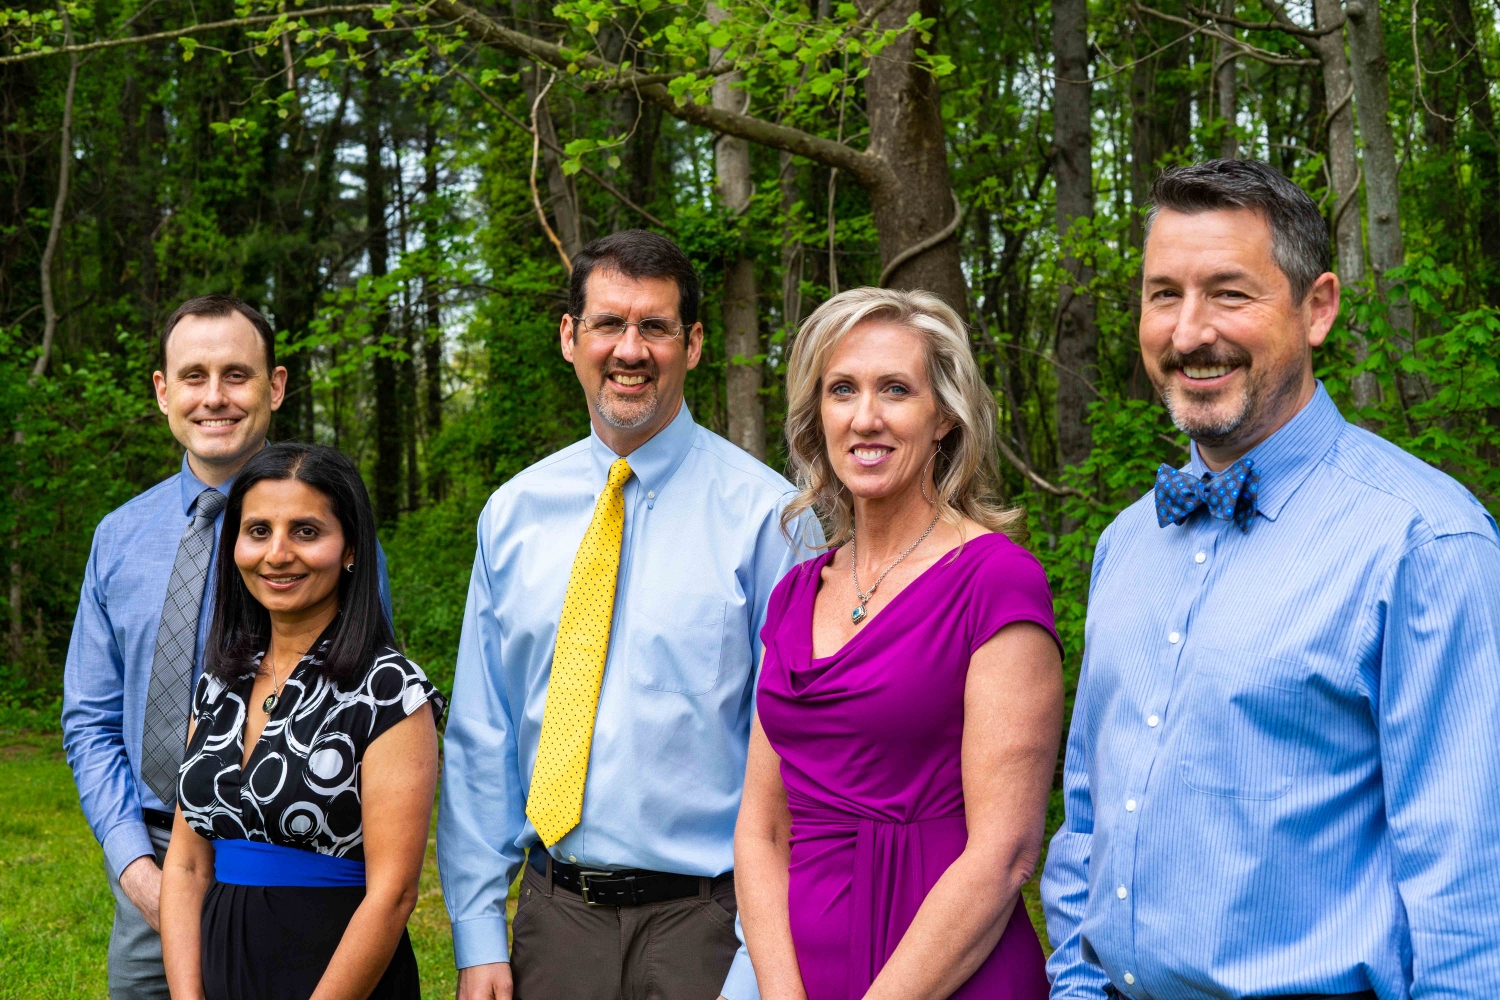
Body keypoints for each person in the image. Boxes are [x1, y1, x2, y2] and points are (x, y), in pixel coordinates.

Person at [1041, 158, 1500, 998]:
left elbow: (1470, 891)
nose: (1188, 333)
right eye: (1163, 295)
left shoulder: (1425, 543)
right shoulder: (1125, 545)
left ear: (1316, 306)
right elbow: (1089, 818)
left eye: (1229, 293)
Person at [437, 229, 822, 1000]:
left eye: (656, 326)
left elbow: (795, 755)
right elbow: (483, 734)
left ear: (695, 343)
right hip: (555, 920)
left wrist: (757, 962)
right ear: (570, 337)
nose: (630, 349)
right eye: (609, 323)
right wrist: (478, 932)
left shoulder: (771, 521)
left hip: (708, 926)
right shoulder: (513, 515)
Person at [738, 287, 1064, 1000]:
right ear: (816, 413)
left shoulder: (996, 582)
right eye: (842, 390)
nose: (866, 418)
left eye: (895, 390)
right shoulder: (794, 594)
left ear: (943, 415)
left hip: (950, 976)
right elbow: (761, 831)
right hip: (801, 977)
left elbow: (1004, 854)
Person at [62, 295, 389, 999]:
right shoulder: (118, 539)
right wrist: (136, 868)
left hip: (283, 870)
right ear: (163, 391)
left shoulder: (329, 536)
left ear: (275, 387)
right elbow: (88, 720)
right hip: (151, 857)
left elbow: (364, 702)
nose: (215, 397)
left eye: (237, 375)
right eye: (194, 376)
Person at [159, 442, 444, 1000]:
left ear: (351, 549)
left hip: (334, 975)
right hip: (218, 971)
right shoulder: (220, 681)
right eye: (258, 530)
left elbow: (394, 894)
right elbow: (188, 865)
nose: (277, 553)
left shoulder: (389, 691)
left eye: (307, 531)